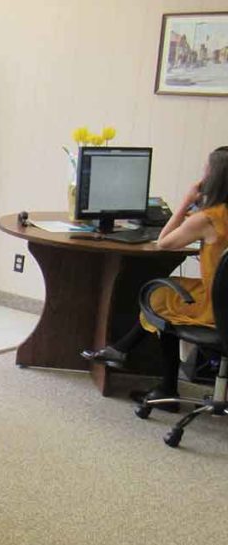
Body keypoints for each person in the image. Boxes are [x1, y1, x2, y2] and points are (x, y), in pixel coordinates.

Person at [82, 146, 228, 409]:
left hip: (216, 308)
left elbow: (163, 243)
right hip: (224, 300)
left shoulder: (207, 219)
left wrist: (185, 202)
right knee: (171, 296)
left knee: (158, 295)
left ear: (213, 178)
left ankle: (158, 382)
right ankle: (128, 355)